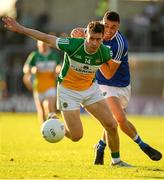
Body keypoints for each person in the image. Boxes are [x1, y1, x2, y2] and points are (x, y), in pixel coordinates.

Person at [2, 16, 131, 167]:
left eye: (98, 39)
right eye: (91, 38)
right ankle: (56, 123)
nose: (94, 43)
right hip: (68, 91)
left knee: (111, 124)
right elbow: (45, 37)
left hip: (90, 89)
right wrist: (21, 29)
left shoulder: (105, 52)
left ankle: (116, 161)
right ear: (85, 36)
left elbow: (113, 70)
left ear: (102, 39)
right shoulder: (71, 44)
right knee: (77, 136)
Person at [71, 11, 162, 165]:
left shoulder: (120, 44)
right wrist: (75, 33)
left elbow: (108, 73)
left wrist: (96, 49)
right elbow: (80, 33)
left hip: (121, 85)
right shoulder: (95, 32)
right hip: (103, 85)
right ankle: (143, 146)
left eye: (113, 27)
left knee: (111, 121)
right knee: (119, 118)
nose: (108, 30)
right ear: (102, 22)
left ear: (118, 27)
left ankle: (100, 147)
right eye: (106, 25)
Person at [23, 40, 61, 124]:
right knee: (41, 112)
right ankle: (44, 130)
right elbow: (25, 68)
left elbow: (60, 65)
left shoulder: (54, 55)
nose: (43, 46)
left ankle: (55, 125)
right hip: (38, 86)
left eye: (45, 44)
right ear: (38, 45)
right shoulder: (34, 55)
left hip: (50, 85)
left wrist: (58, 69)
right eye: (41, 45)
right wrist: (32, 70)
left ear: (48, 45)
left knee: (49, 105)